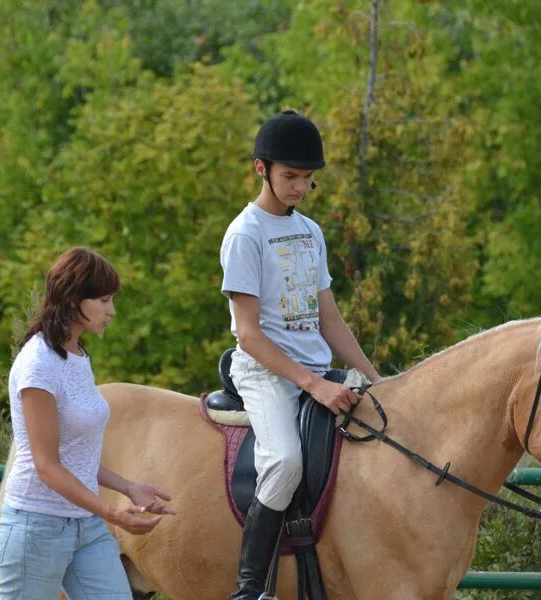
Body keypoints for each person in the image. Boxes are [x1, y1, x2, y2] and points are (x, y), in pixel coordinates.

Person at [220, 110, 381, 599]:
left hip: (316, 368)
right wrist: (314, 385)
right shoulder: (245, 234)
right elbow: (248, 334)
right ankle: (250, 588)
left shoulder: (311, 233)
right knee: (285, 461)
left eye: (307, 179)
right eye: (290, 176)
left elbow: (329, 320)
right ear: (260, 169)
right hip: (264, 372)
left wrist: (376, 379)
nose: (298, 188)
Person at [0, 246, 174, 599]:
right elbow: (47, 466)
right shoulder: (38, 366)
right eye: (104, 300)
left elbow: (78, 454)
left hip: (85, 527)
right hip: (36, 526)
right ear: (73, 298)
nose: (112, 311)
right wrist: (114, 514)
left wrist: (129, 488)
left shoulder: (77, 355)